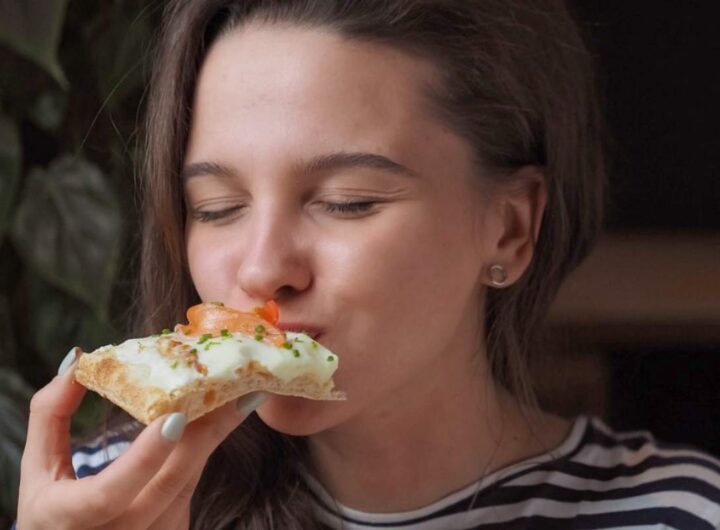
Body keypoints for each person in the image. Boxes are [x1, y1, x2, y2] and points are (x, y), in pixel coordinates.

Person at [15, 1, 720, 529]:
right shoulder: (103, 498)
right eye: (218, 206)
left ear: (508, 229)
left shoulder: (681, 514)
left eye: (347, 202)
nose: (262, 269)